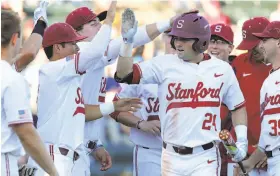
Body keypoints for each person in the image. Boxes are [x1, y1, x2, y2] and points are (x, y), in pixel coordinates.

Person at [115, 11, 248, 175]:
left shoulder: (222, 69)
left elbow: (238, 107)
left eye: (184, 39)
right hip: (170, 156)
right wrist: (127, 43)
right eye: (176, 37)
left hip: (205, 156)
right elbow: (124, 74)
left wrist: (242, 139)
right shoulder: (164, 64)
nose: (177, 43)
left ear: (201, 41)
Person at [27, 2, 142, 175]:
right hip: (53, 157)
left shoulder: (68, 77)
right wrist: (109, 21)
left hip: (71, 156)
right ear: (58, 47)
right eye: (73, 44)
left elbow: (81, 112)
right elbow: (95, 52)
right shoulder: (53, 70)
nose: (77, 48)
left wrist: (114, 107)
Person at [66, 6, 179, 174]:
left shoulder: (91, 56)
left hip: (78, 147)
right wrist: (166, 23)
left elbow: (130, 39)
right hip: (66, 149)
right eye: (93, 24)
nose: (101, 27)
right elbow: (78, 111)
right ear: (76, 33)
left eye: (100, 22)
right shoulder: (83, 54)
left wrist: (95, 143)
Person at [1, 9, 58, 176]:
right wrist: (53, 172)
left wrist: (40, 26)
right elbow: (25, 132)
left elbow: (29, 53)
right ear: (14, 39)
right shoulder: (10, 77)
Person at [234, 21, 280, 176]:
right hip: (269, 158)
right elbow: (267, 135)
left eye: (265, 41)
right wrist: (249, 163)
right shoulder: (269, 80)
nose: (260, 46)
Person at [208, 23, 235, 176]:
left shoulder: (239, 71)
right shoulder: (196, 71)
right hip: (203, 150)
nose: (215, 46)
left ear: (230, 47)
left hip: (231, 150)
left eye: (220, 42)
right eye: (212, 41)